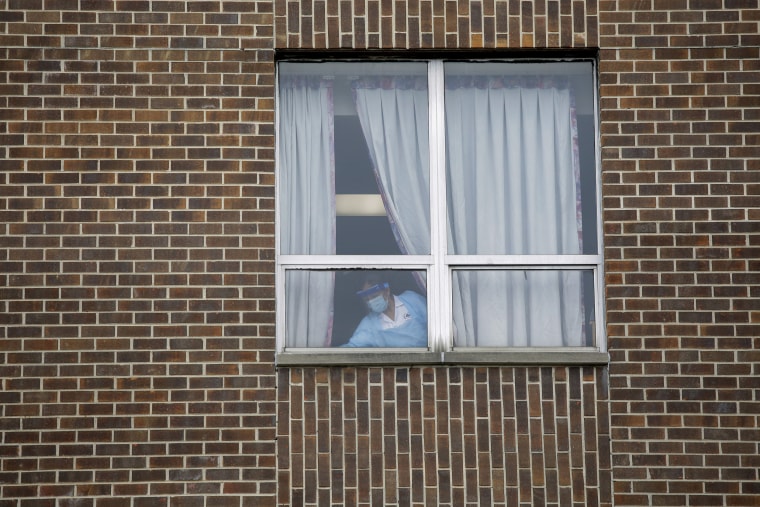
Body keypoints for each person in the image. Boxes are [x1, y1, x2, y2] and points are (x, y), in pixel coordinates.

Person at [341, 275, 428, 348]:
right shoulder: (369, 323)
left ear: (386, 291)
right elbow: (352, 347)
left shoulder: (412, 300)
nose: (371, 302)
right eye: (367, 299)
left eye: (374, 297)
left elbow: (437, 323)